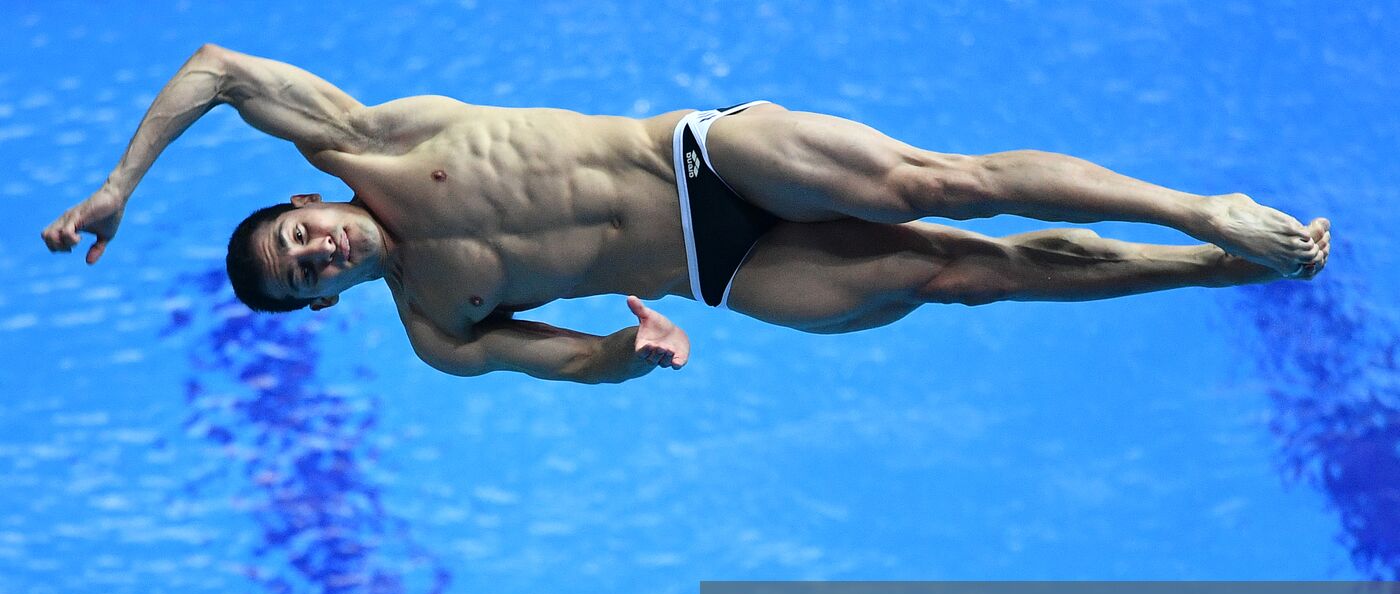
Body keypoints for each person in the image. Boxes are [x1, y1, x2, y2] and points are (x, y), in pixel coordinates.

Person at [43, 44, 1330, 384]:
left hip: (697, 159)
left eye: (295, 237)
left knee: (931, 185)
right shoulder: (437, 323)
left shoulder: (374, 138)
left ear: (305, 197)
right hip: (722, 272)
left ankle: (1198, 209)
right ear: (327, 303)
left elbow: (217, 70)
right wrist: (630, 348)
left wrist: (119, 185)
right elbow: (569, 363)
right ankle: (1205, 271)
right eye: (304, 277)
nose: (315, 253)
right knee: (955, 275)